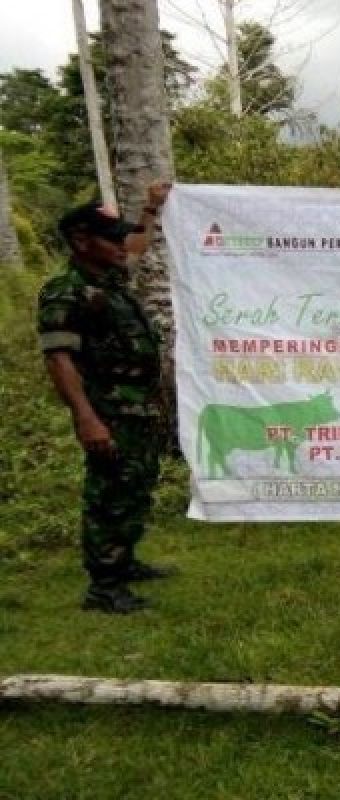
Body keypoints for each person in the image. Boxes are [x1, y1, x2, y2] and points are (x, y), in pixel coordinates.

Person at [38, 185, 175, 613]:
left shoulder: (109, 280)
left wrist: (151, 208)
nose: (120, 245)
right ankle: (104, 586)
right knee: (110, 494)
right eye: (110, 238)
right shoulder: (67, 291)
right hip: (109, 412)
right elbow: (59, 359)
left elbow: (135, 247)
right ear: (81, 241)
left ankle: (123, 561)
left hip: (138, 410)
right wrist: (86, 418)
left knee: (135, 488)